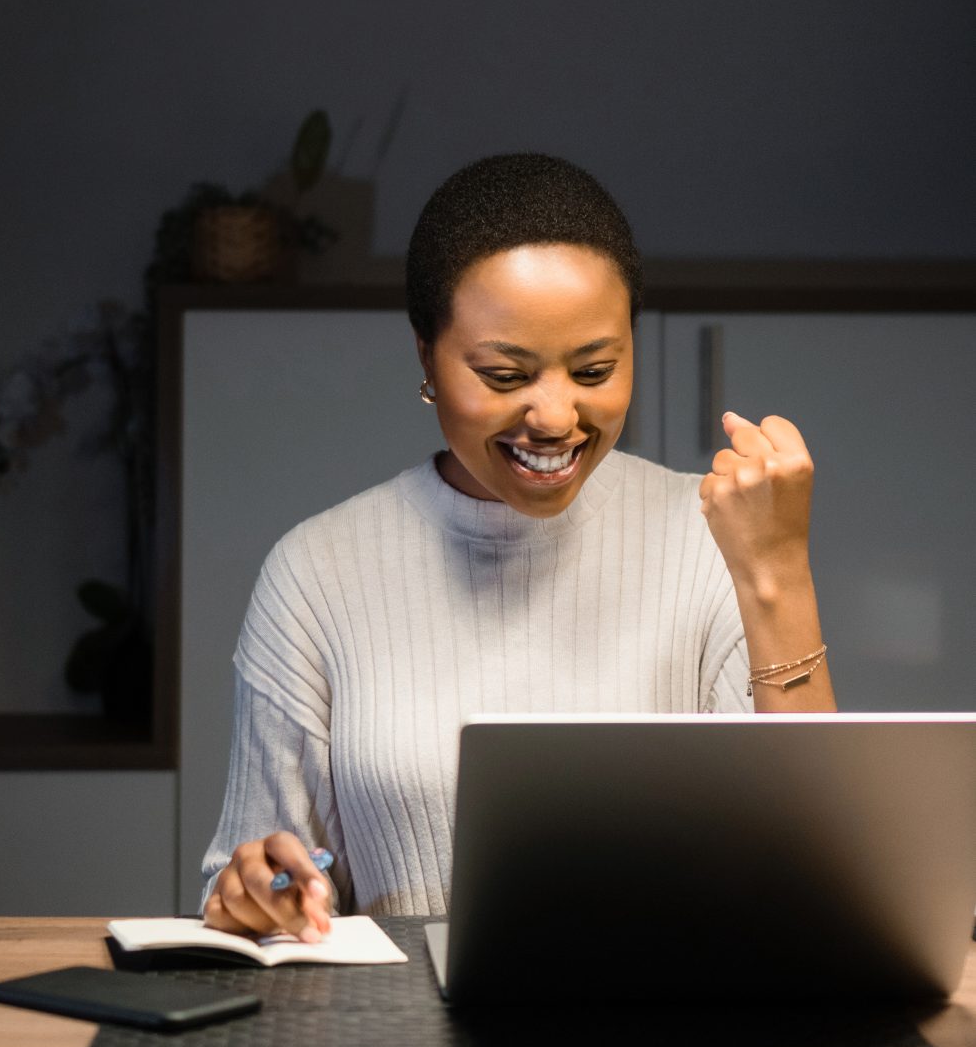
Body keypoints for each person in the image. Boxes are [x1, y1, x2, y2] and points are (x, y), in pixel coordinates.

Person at [201, 153, 836, 943]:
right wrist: (253, 894)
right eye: (504, 375)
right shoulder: (316, 572)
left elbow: (821, 878)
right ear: (425, 358)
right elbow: (250, 885)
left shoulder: (708, 534)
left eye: (594, 368)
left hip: (668, 1033)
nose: (554, 417)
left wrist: (776, 570)